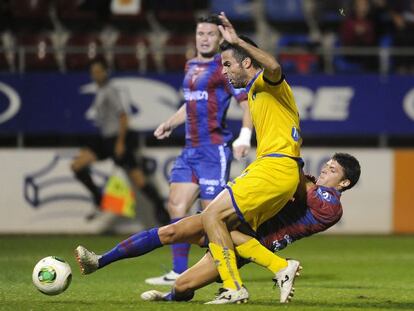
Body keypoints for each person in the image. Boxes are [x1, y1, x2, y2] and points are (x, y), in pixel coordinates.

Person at [74, 153, 361, 303]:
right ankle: (99, 261)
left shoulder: (331, 204)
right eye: (327, 165)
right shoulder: (308, 181)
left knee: (182, 285)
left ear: (345, 183)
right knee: (171, 232)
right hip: (238, 224)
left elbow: (298, 189)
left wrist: (289, 162)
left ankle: (275, 268)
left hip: (251, 241)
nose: (325, 169)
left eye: (333, 170)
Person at [197, 12, 304, 303]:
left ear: (246, 62)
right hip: (279, 169)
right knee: (226, 227)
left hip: (275, 166)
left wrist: (236, 41)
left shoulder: (267, 82)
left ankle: (233, 287)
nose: (225, 71)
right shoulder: (254, 92)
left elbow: (274, 65)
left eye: (229, 64)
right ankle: (281, 266)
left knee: (210, 215)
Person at [145, 14, 252, 285]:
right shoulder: (191, 64)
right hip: (189, 149)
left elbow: (246, 103)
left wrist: (244, 136)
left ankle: (225, 267)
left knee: (212, 218)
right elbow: (190, 103)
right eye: (200, 34)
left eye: (210, 34)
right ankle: (178, 271)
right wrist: (170, 122)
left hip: (213, 151)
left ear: (219, 38)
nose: (204, 39)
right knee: (176, 206)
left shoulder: (223, 67)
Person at [71, 58, 170, 224]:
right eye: (93, 72)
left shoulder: (111, 90)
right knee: (77, 165)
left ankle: (161, 209)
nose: (96, 75)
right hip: (106, 139)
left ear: (105, 72)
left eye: (99, 71)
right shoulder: (101, 91)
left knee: (139, 181)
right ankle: (98, 198)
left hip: (118, 138)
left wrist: (120, 142)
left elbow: (123, 116)